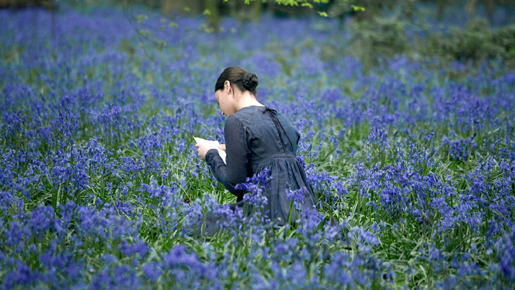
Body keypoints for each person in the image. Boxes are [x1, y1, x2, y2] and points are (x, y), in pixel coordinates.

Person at [195, 66, 317, 231]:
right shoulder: (282, 118)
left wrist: (210, 154)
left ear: (227, 87)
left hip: (268, 212)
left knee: (198, 225)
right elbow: (272, 161)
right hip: (305, 212)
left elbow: (236, 184)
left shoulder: (236, 121)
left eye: (219, 102)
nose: (222, 112)